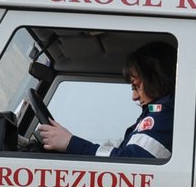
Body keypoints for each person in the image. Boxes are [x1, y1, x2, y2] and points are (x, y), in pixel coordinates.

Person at [39, 41, 175, 161]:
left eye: (137, 85)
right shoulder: (160, 113)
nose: (134, 96)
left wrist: (70, 143)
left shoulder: (164, 114)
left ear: (157, 78)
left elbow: (131, 161)